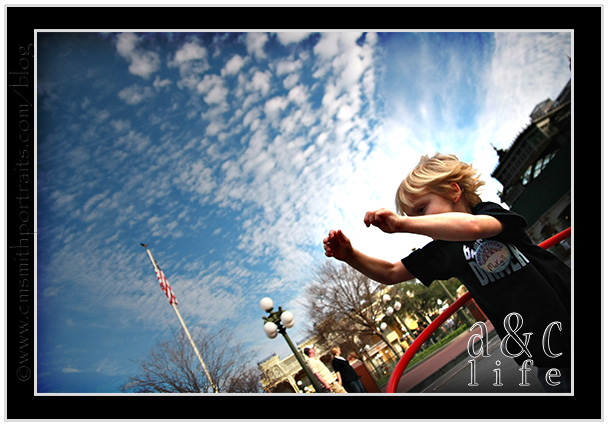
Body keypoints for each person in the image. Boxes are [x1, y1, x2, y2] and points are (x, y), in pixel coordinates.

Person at [323, 153, 571, 393]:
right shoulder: (442, 250)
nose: (420, 223)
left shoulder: (486, 212)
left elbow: (474, 227)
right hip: (545, 352)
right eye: (412, 216)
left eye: (422, 210)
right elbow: (391, 272)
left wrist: (402, 223)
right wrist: (350, 256)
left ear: (454, 191)